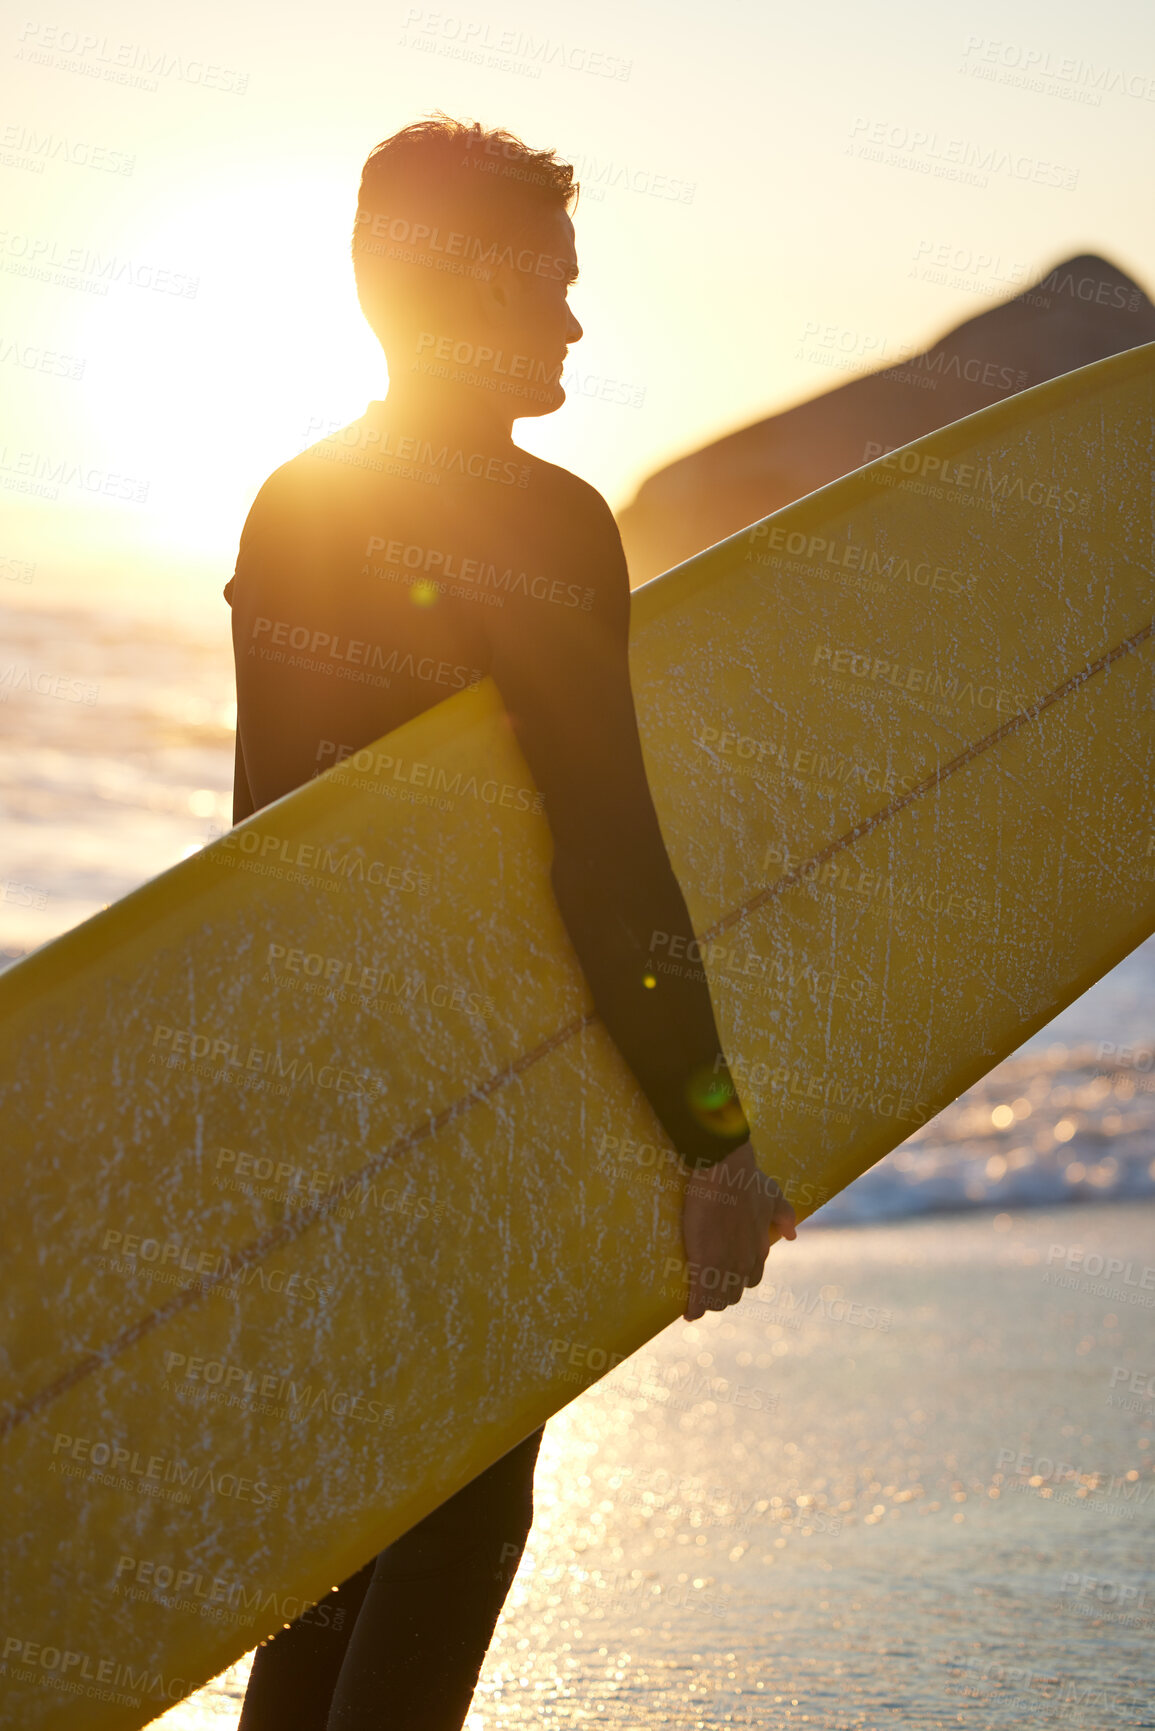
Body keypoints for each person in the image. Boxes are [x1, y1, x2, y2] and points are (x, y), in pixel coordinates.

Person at [227, 114, 796, 1731]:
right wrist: (715, 1141)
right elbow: (605, 852)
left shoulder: (294, 500)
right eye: (546, 282)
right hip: (473, 1102)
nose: (571, 319)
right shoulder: (540, 522)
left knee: (342, 1542)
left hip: (318, 1096)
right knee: (463, 1515)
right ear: (462, 288)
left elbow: (267, 843)